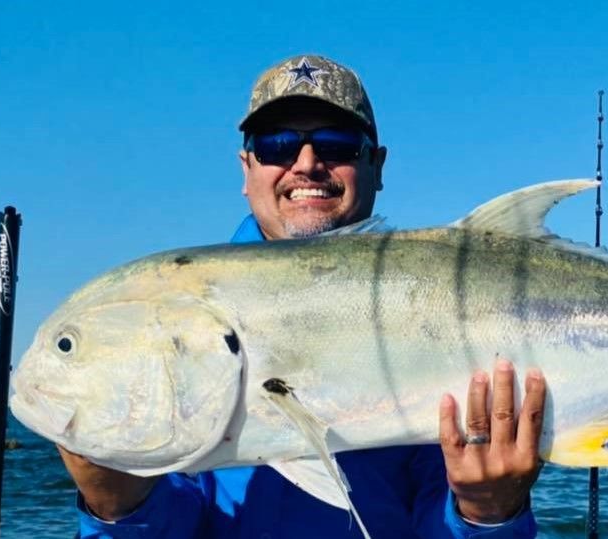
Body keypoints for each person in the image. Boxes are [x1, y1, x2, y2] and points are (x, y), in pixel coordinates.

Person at [61, 54, 545, 538]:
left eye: (337, 144)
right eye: (277, 146)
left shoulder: (432, 307)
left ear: (376, 165)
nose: (307, 164)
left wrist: (487, 514)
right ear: (246, 167)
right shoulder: (184, 315)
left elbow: (443, 516)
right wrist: (117, 507)